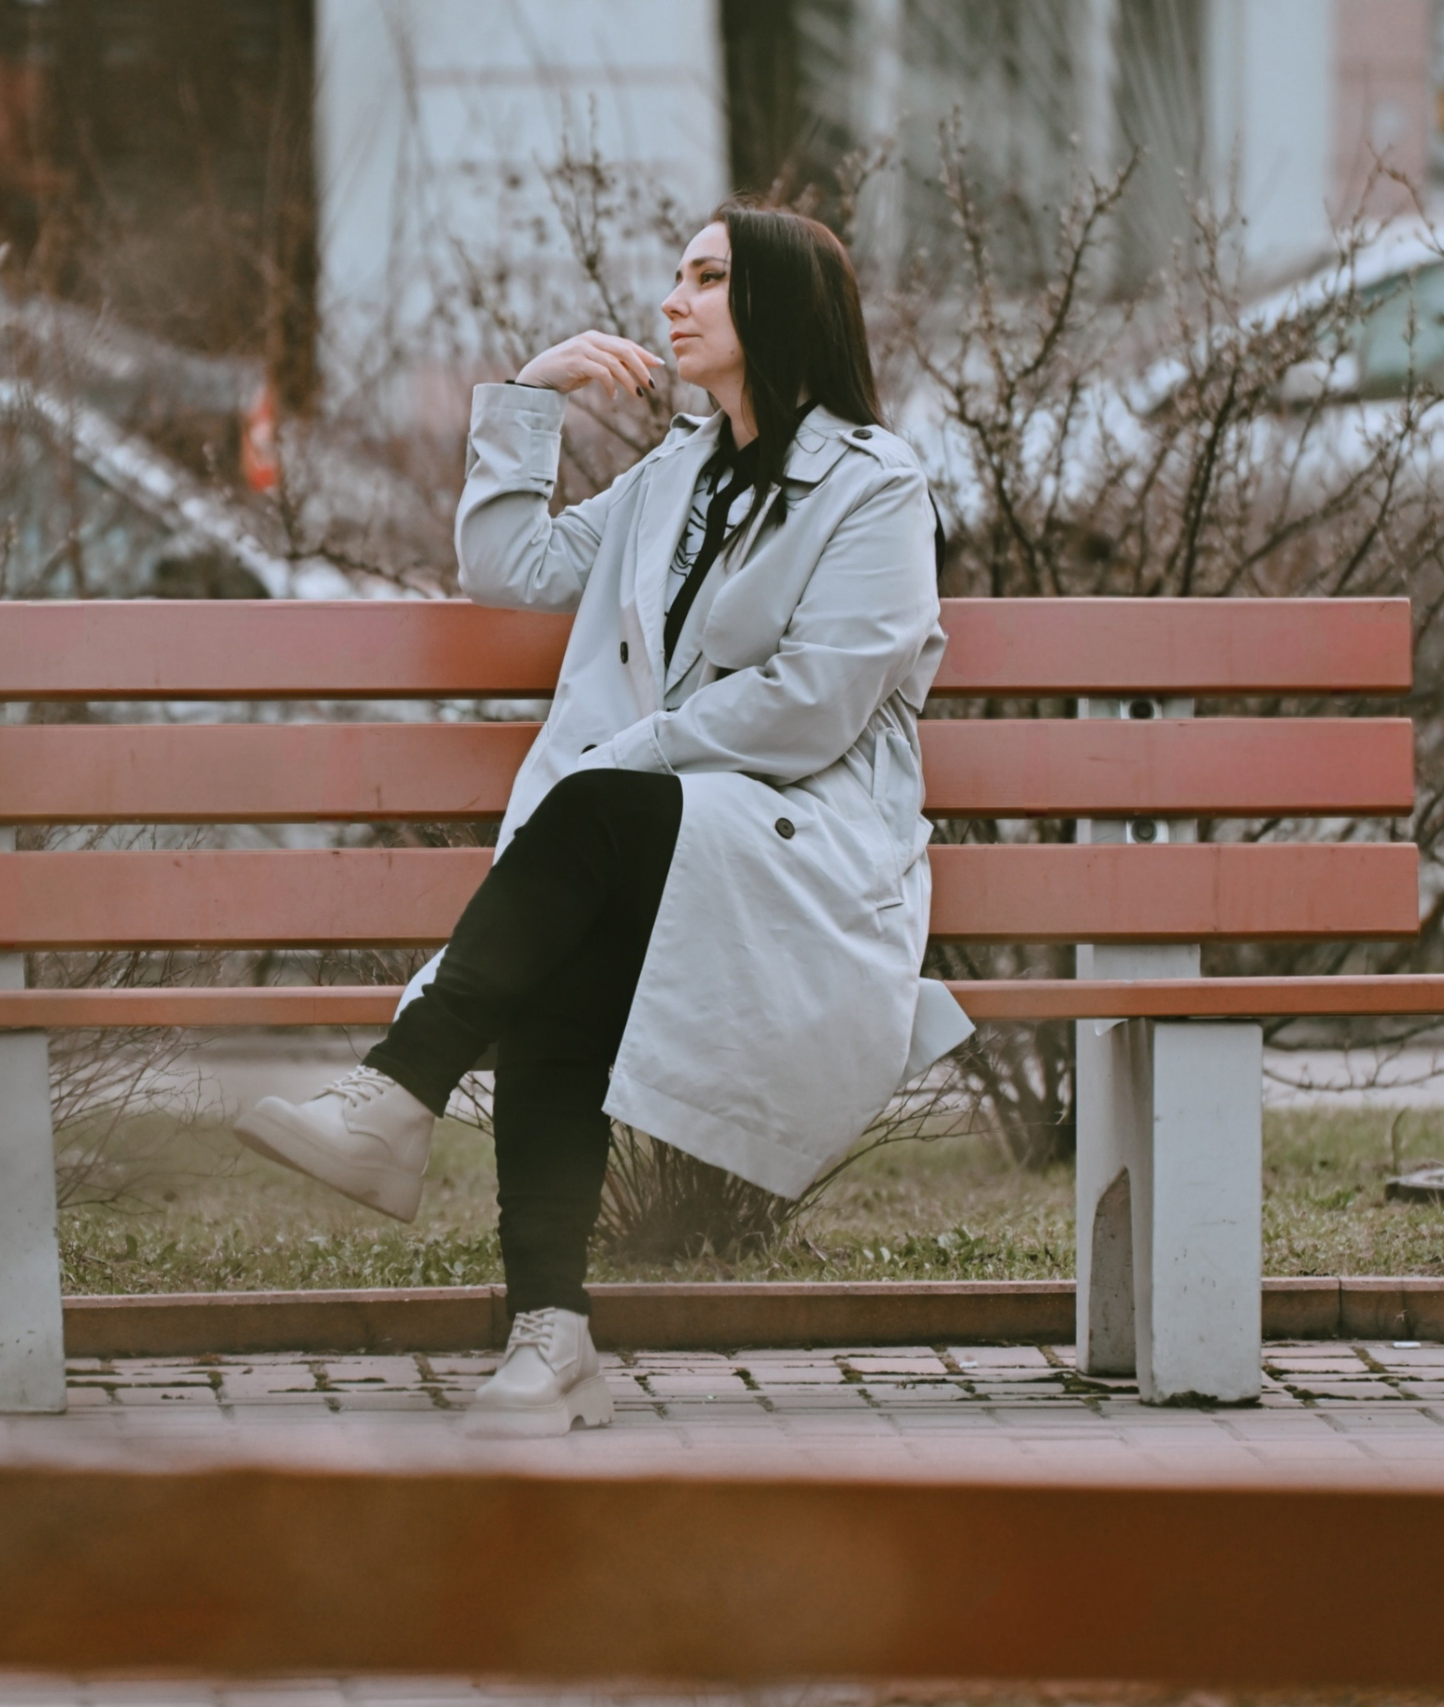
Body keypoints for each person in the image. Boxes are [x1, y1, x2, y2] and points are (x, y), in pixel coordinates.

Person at [234, 201, 973, 1437]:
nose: (672, 301)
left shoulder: (873, 487)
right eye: (675, 275)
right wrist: (531, 395)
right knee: (568, 926)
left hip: (797, 860)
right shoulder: (676, 472)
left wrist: (626, 760)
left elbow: (814, 704)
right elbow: (511, 571)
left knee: (594, 819)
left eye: (708, 278)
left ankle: (398, 1094)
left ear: (780, 307)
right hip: (658, 841)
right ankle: (552, 1333)